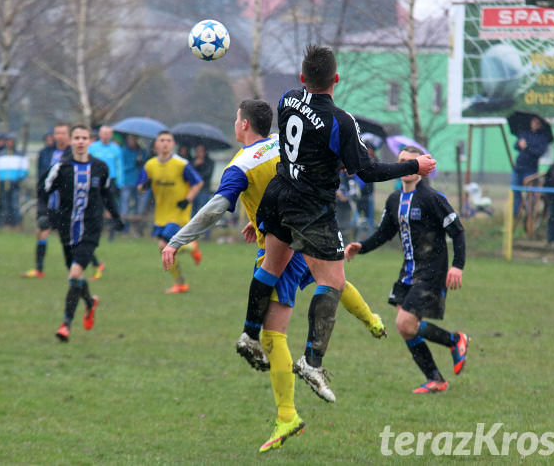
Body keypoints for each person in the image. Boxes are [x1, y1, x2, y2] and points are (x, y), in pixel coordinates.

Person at [161, 99, 386, 452]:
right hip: (307, 228)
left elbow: (216, 209)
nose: (236, 124)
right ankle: (371, 319)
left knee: (272, 336)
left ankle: (287, 416)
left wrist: (178, 240)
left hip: (277, 244)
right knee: (329, 278)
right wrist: (256, 220)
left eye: (237, 119)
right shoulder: (286, 142)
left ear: (244, 125)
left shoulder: (240, 165)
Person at [249, 45, 436, 405]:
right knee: (332, 281)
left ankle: (248, 333)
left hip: (280, 196)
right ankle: (312, 360)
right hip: (311, 208)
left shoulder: (288, 99)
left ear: (302, 78)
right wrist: (414, 167)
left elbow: (307, 142)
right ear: (336, 78)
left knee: (270, 269)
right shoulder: (342, 120)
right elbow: (367, 172)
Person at [345, 146, 468, 394]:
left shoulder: (433, 198)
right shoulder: (394, 200)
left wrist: (457, 266)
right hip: (408, 272)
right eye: (402, 161)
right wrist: (362, 246)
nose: (406, 166)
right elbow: (385, 233)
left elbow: (458, 232)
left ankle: (455, 342)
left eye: (411, 161)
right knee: (405, 327)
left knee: (405, 322)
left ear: (422, 166)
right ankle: (436, 377)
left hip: (432, 271)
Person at [37, 124, 125, 342]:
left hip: (91, 228)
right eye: (76, 137)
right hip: (67, 227)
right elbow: (42, 190)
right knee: (75, 276)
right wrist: (44, 214)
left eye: (84, 137)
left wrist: (116, 218)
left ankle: (65, 324)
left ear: (90, 141)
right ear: (71, 141)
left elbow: (107, 195)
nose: (80, 141)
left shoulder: (100, 168)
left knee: (75, 274)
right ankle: (90, 301)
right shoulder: (61, 168)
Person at [21, 123, 104, 279]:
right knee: (41, 232)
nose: (59, 136)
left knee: (75, 240)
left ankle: (95, 264)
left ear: (69, 136)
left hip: (68, 206)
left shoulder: (72, 154)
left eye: (63, 133)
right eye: (57, 132)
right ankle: (39, 269)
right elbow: (43, 178)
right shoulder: (46, 152)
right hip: (52, 204)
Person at [138, 130, 203, 293]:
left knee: (164, 246)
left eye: (168, 140)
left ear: (173, 144)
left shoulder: (181, 164)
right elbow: (139, 186)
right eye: (162, 140)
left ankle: (182, 280)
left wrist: (187, 199)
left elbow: (198, 183)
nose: (165, 143)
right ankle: (189, 253)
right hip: (161, 215)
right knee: (164, 249)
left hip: (178, 214)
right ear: (156, 145)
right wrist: (144, 186)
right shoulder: (150, 165)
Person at [512, 116, 550, 216]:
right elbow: (516, 146)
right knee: (516, 192)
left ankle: (530, 216)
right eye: (533, 121)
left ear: (541, 124)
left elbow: (538, 152)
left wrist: (527, 147)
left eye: (537, 122)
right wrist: (520, 145)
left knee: (531, 194)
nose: (534, 124)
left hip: (531, 170)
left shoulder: (542, 138)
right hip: (518, 168)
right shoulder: (525, 133)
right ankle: (516, 214)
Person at [0, 135, 28, 228]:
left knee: (14, 205)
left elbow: (24, 170)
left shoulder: (20, 155)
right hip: (2, 183)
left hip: (15, 184)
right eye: (8, 141)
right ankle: (4, 224)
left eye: (12, 141)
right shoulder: (0, 155)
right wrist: (0, 179)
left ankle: (16, 224)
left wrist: (18, 179)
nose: (10, 143)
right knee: (4, 205)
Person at [119, 134, 144, 223]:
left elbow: (144, 166)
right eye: (130, 139)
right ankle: (123, 224)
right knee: (125, 203)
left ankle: (136, 225)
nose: (132, 142)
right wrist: (134, 163)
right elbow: (122, 166)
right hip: (127, 180)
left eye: (134, 139)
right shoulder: (124, 151)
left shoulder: (141, 151)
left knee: (139, 204)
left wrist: (140, 161)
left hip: (138, 181)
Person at [191, 144, 214, 218]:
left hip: (204, 190)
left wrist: (202, 164)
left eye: (201, 151)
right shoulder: (193, 161)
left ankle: (204, 229)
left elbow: (207, 174)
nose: (199, 153)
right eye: (198, 151)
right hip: (193, 190)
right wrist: (195, 165)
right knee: (192, 212)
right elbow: (189, 173)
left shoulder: (209, 162)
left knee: (203, 213)